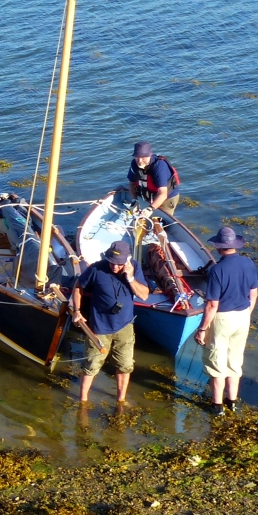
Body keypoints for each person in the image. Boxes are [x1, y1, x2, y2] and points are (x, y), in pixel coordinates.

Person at [71, 240, 149, 403]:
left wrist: (130, 277)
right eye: (111, 262)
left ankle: (121, 400)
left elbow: (144, 295)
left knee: (125, 365)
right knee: (91, 366)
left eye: (119, 264)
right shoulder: (96, 269)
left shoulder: (134, 267)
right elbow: (78, 286)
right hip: (99, 328)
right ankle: (83, 400)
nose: (114, 266)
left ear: (127, 260)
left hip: (125, 326)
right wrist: (77, 311)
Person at [195, 226, 258, 412]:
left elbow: (212, 305)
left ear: (218, 247)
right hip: (243, 316)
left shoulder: (217, 270)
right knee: (235, 360)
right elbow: (254, 293)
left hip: (223, 319)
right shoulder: (248, 263)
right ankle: (232, 402)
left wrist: (202, 329)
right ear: (235, 245)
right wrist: (247, 313)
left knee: (216, 361)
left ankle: (217, 406)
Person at [127, 141, 180, 215]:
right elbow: (132, 183)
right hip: (150, 194)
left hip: (167, 197)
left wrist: (150, 209)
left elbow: (163, 193)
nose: (140, 161)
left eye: (143, 157)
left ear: (149, 156)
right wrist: (134, 200)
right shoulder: (134, 164)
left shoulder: (159, 166)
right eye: (137, 157)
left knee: (161, 221)